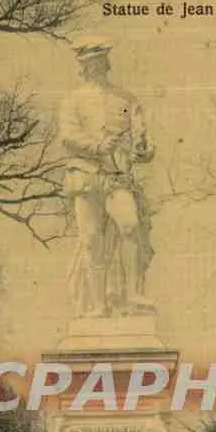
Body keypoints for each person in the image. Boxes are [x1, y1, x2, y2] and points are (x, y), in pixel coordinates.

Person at [60, 37, 155, 318]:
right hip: (85, 175)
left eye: (100, 61)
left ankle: (133, 293)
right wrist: (97, 146)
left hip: (117, 176)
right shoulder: (73, 100)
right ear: (83, 66)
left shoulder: (126, 99)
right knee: (91, 240)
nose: (96, 67)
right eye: (91, 62)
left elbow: (142, 138)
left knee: (130, 225)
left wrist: (143, 149)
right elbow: (68, 136)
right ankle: (98, 305)